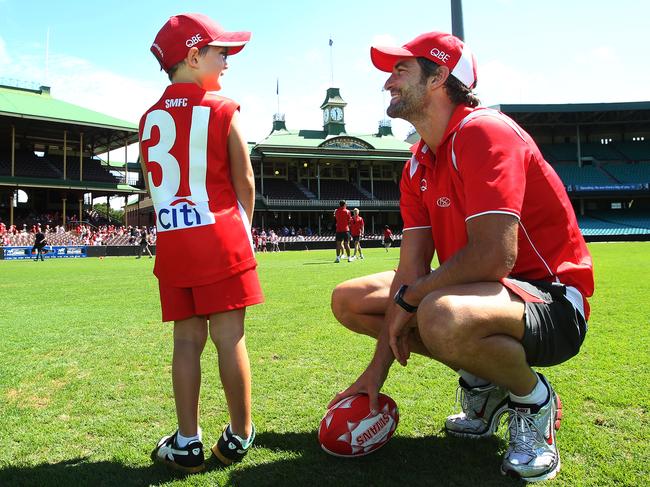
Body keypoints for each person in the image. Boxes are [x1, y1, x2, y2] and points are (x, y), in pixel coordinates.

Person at [329, 32, 593, 482]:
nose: (387, 83)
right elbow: (409, 270)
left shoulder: (484, 131)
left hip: (553, 302)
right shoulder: (417, 162)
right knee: (350, 298)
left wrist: (413, 300)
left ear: (439, 77)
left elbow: (494, 256)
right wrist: (376, 372)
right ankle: (485, 384)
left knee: (436, 311)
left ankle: (533, 400)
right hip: (482, 297)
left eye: (400, 70)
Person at [139, 13, 262, 474]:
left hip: (174, 241)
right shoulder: (222, 108)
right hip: (221, 234)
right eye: (220, 52)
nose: (227, 61)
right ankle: (239, 431)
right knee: (229, 337)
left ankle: (187, 440)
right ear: (194, 56)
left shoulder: (147, 118)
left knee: (186, 342)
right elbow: (244, 178)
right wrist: (244, 228)